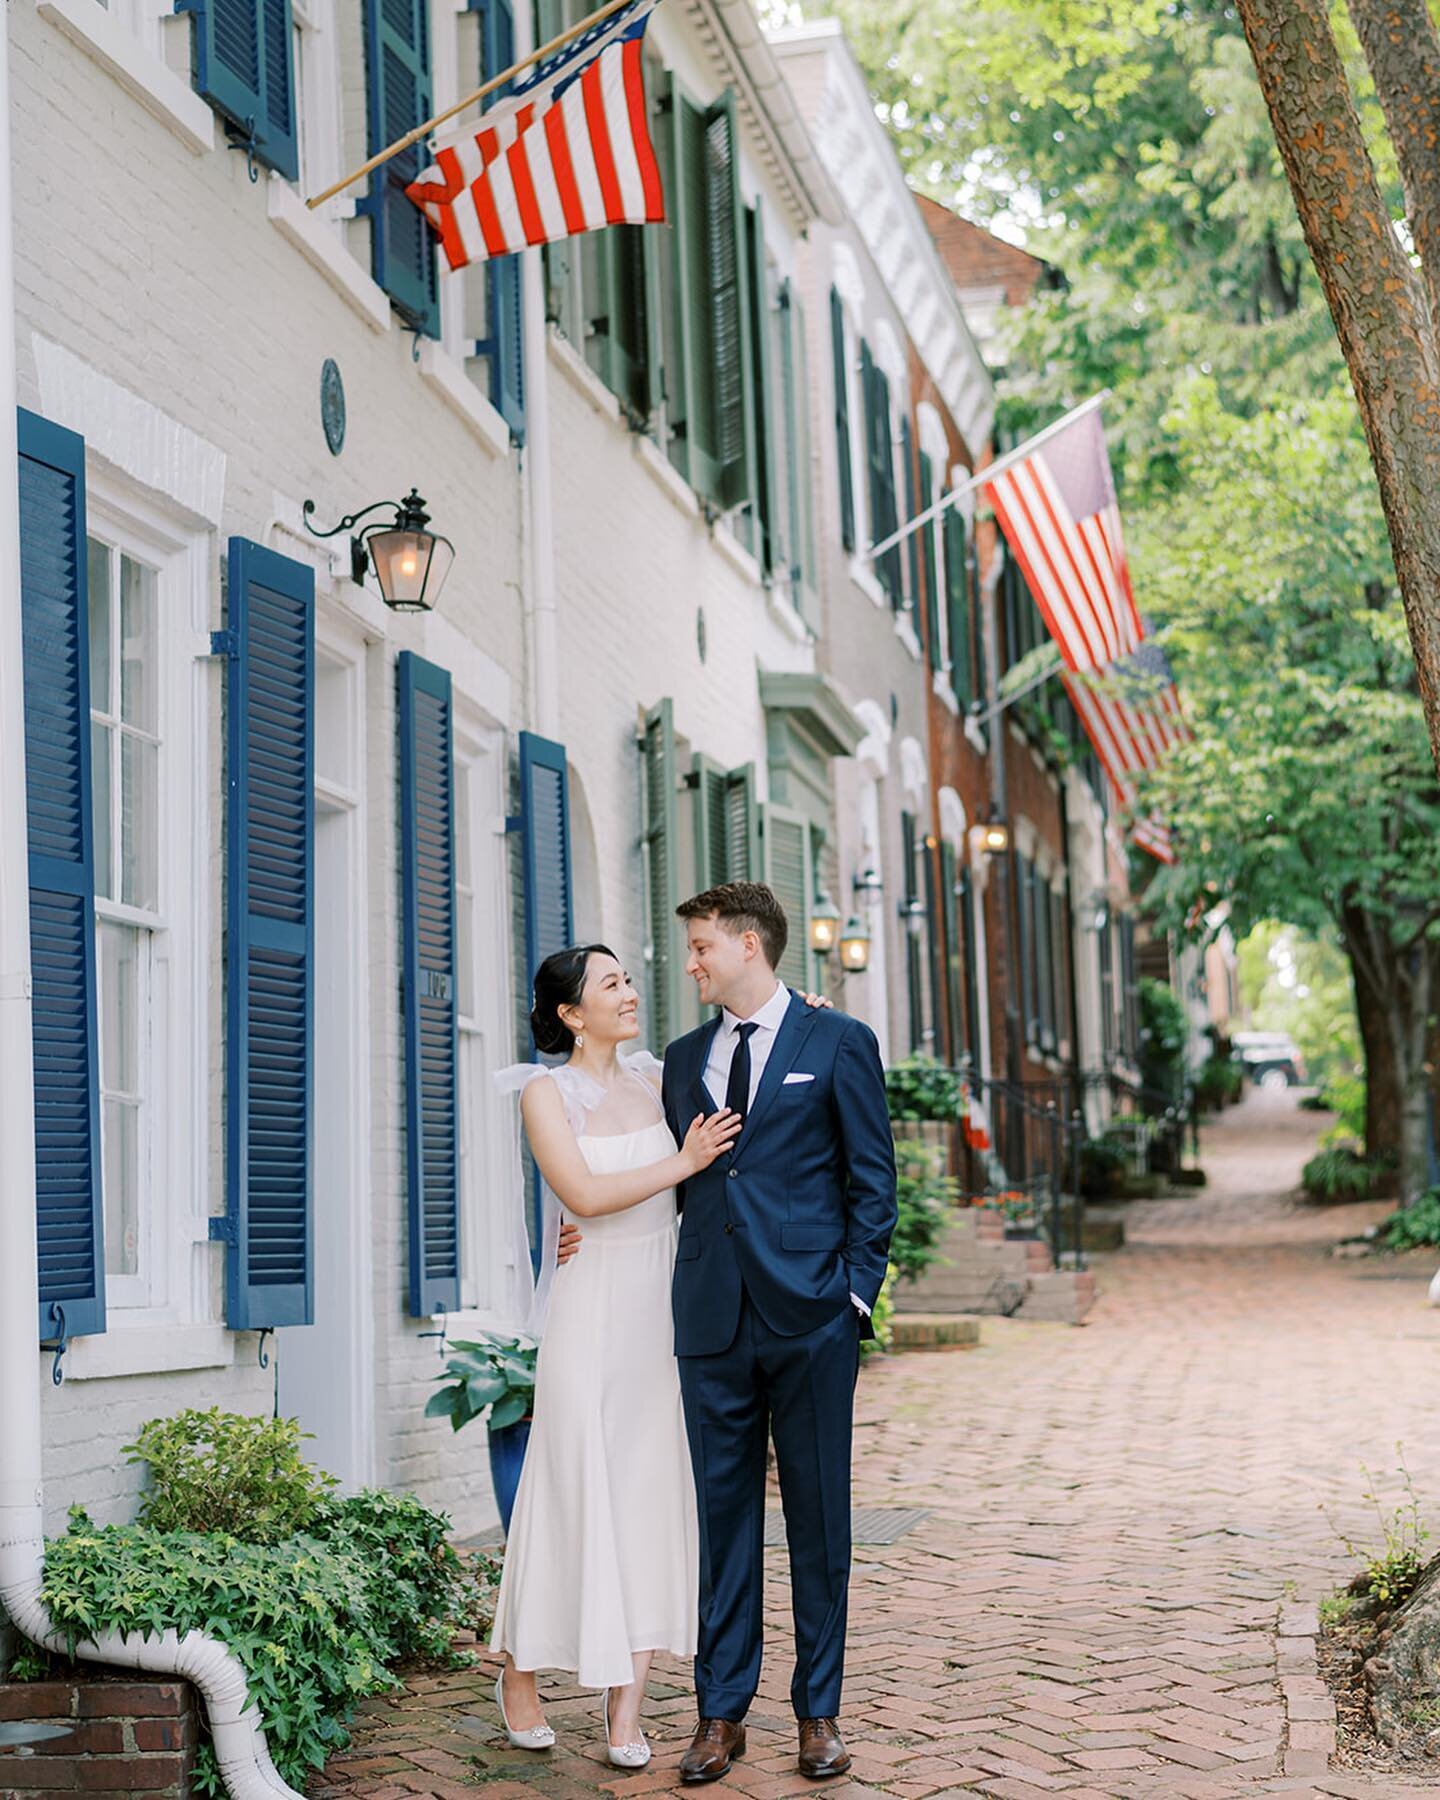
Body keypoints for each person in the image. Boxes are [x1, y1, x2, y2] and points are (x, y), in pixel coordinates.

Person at [489, 946, 833, 1766]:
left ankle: (625, 1710)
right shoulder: (545, 1092)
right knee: (571, 1483)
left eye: (629, 979)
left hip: (664, 1304)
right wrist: (680, 1162)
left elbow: (753, 1076)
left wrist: (805, 1014)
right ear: (571, 1013)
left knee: (648, 1492)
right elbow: (582, 1194)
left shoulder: (660, 1077)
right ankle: (520, 1670)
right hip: (590, 1305)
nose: (632, 993)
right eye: (611, 984)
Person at [659, 882, 897, 1784]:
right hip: (711, 1319)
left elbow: (873, 1181)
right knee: (722, 1526)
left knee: (820, 1520)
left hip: (812, 1318)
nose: (691, 963)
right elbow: (659, 1172)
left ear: (749, 944)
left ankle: (818, 1713)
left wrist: (856, 1296)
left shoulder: (838, 1041)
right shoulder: (682, 1061)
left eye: (701, 947)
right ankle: (720, 1715)